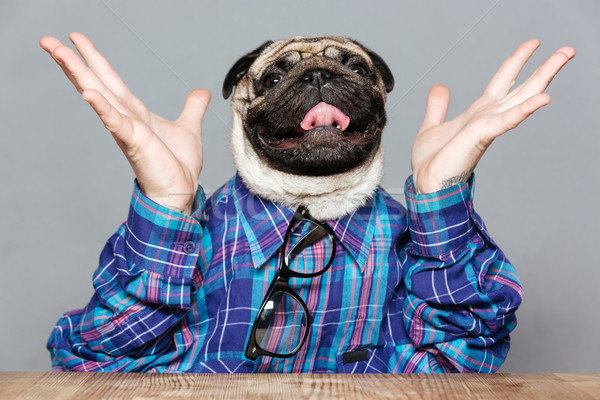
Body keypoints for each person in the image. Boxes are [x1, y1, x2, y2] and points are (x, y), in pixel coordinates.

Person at [41, 32, 575, 373]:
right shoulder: (191, 238)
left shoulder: (414, 241)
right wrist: (165, 203)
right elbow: (94, 363)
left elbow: (459, 364)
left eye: (352, 70)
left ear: (384, 99)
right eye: (278, 77)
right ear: (240, 103)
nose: (320, 80)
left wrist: (440, 197)